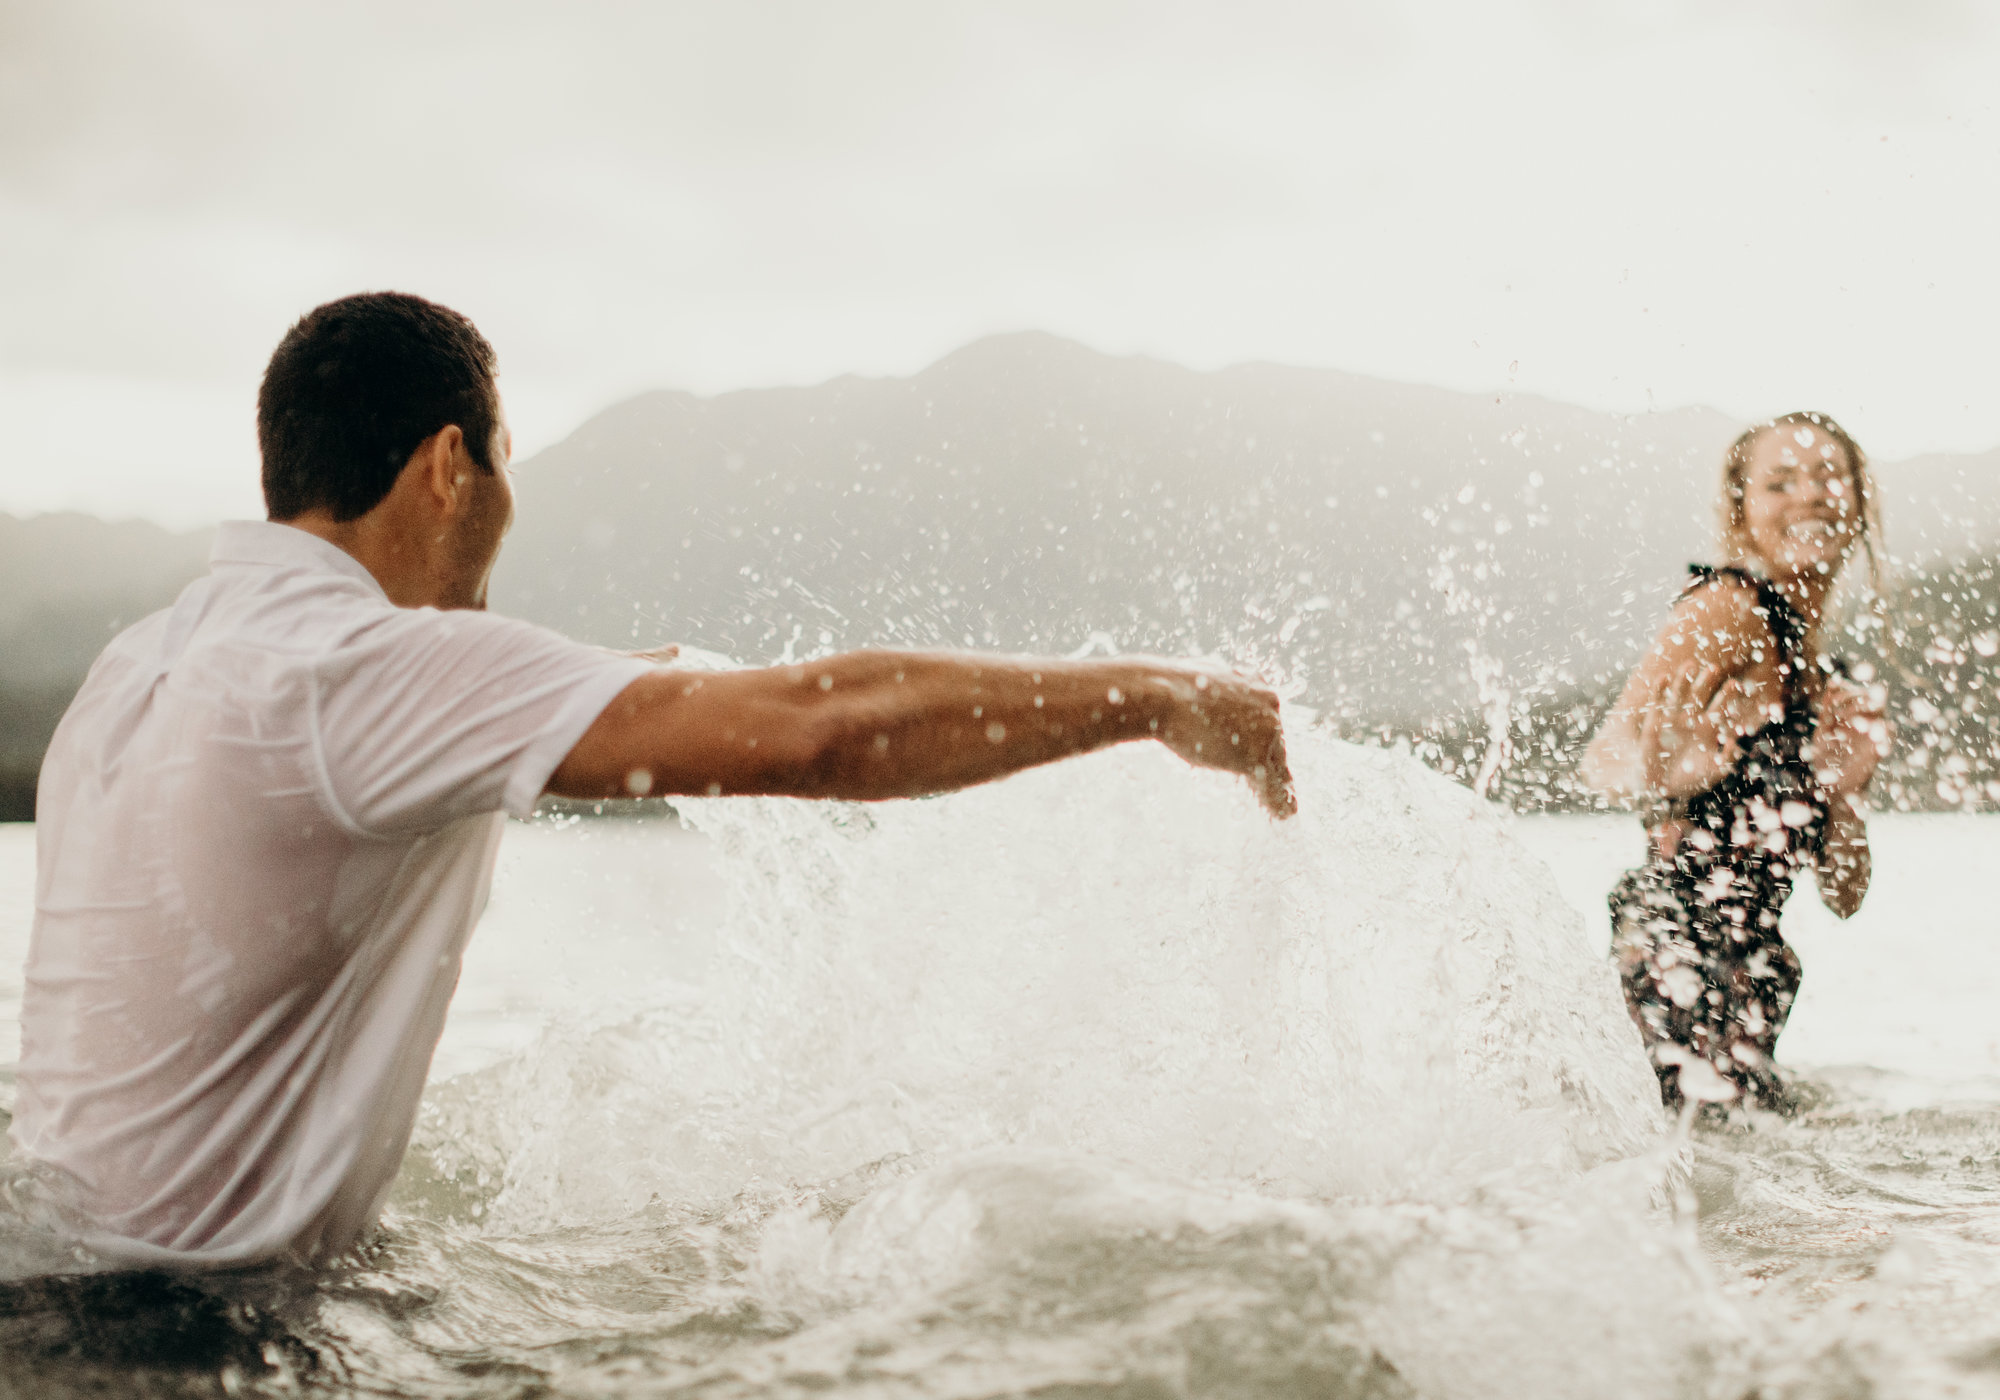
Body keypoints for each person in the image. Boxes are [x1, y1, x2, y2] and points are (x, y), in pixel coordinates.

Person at [11, 292, 1294, 1269]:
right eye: (505, 467)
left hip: (63, 1291)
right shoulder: (362, 671)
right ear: (451, 466)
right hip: (191, 1356)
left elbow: (363, 749)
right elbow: (817, 734)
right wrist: (1157, 694)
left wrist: (614, 680)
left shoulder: (149, 667)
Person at [1580, 413, 1890, 1114]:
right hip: (1671, 968)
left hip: (1749, 991)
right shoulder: (1726, 609)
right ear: (1742, 509)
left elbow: (1845, 895)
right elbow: (1604, 758)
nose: (1808, 495)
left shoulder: (1824, 679)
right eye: (1780, 482)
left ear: (1858, 503)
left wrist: (1843, 798)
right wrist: (1665, 777)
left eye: (1826, 477)